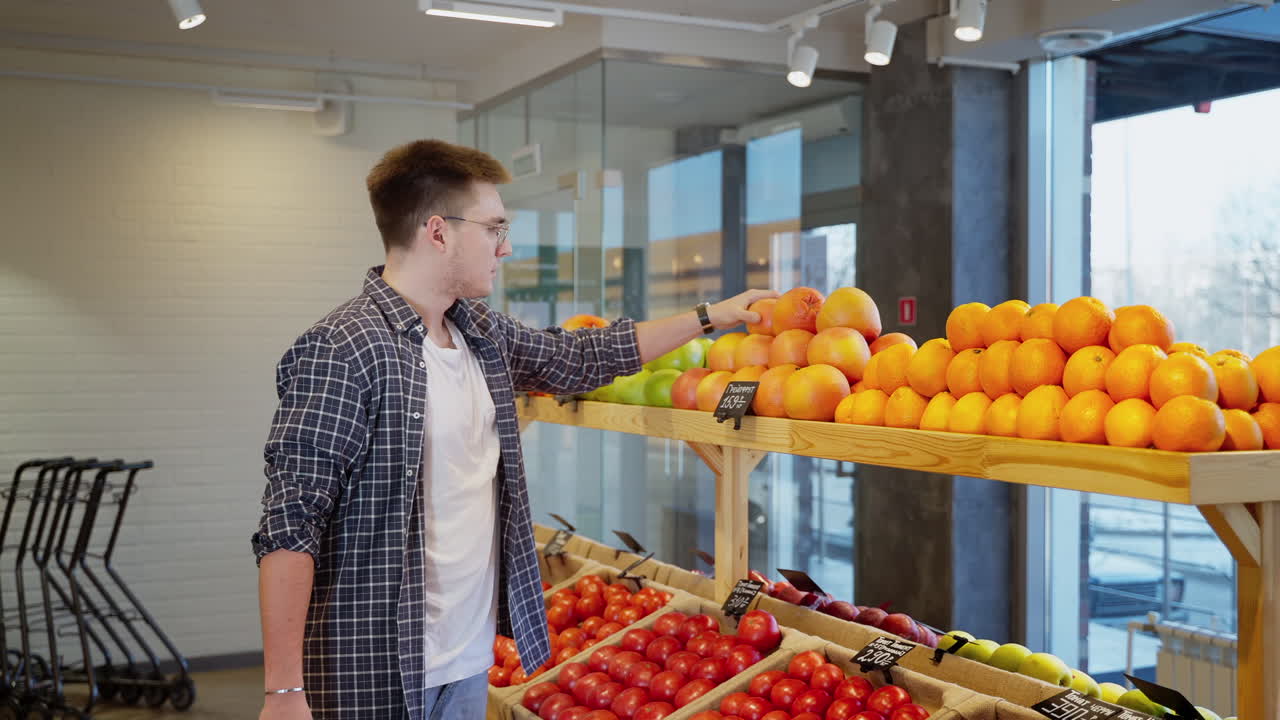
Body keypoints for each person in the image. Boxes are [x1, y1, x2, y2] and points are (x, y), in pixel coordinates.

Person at [252, 138, 776, 720]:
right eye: (494, 228)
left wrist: (710, 318)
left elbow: (582, 356)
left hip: (468, 662)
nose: (505, 247)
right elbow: (289, 527)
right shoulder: (344, 348)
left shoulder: (478, 331)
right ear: (438, 231)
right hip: (372, 670)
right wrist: (283, 691)